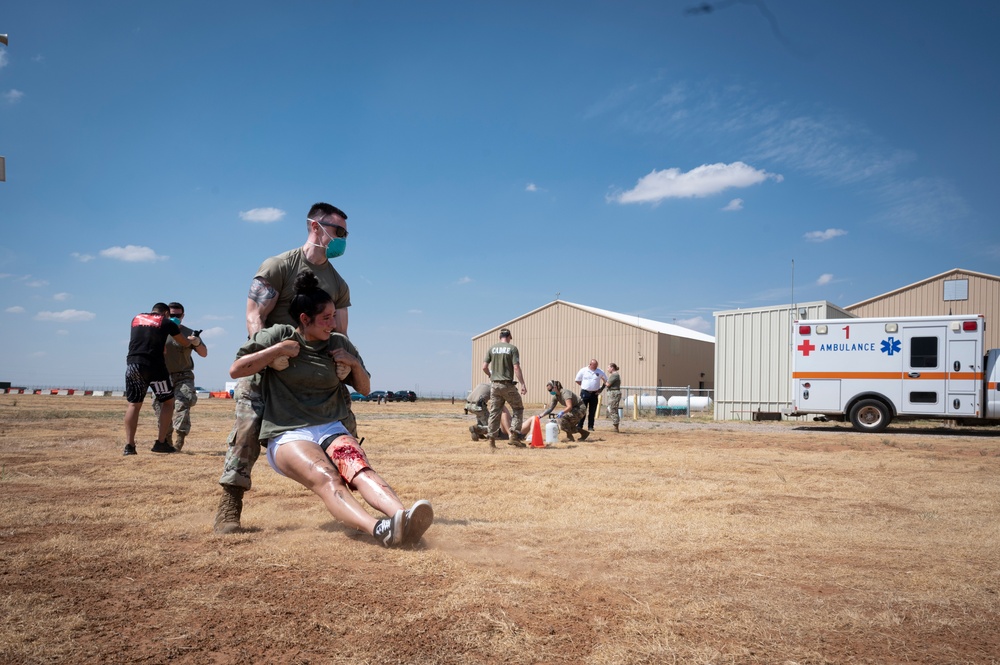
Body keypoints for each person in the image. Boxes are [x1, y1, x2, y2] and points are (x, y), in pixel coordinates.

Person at [228, 270, 432, 547]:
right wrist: (275, 352)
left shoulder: (339, 343)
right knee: (328, 478)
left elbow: (365, 389)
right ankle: (379, 529)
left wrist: (354, 364)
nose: (333, 323)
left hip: (330, 427)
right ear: (304, 319)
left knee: (360, 470)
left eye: (334, 315)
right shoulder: (279, 335)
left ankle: (403, 519)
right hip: (289, 433)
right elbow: (237, 368)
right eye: (326, 318)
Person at [215, 202, 354, 535]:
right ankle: (229, 507)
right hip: (273, 360)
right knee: (247, 427)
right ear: (315, 227)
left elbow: (340, 333)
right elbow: (254, 315)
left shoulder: (338, 283)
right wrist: (267, 354)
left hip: (314, 370)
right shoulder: (279, 265)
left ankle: (349, 501)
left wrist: (343, 366)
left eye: (346, 234)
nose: (342, 239)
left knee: (344, 426)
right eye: (338, 231)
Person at [123, 302, 199, 456]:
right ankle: (161, 442)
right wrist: (193, 340)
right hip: (154, 367)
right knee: (168, 402)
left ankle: (129, 446)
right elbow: (184, 343)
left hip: (133, 365)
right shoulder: (165, 323)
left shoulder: (136, 318)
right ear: (165, 313)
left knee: (134, 405)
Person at [151, 302, 207, 451]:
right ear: (166, 315)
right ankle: (166, 439)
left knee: (183, 404)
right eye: (172, 315)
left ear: (182, 316)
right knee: (160, 407)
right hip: (162, 376)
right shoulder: (158, 331)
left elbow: (204, 353)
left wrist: (197, 342)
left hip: (184, 375)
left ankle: (179, 439)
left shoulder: (189, 333)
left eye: (178, 315)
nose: (175, 317)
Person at [482, 328, 528, 448]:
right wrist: (522, 383)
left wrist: (490, 375)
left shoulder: (492, 348)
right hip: (507, 384)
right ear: (509, 337)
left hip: (494, 385)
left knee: (494, 412)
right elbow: (516, 368)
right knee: (518, 408)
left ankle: (491, 439)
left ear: (500, 337)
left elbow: (484, 367)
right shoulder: (512, 349)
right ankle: (514, 436)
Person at [465, 382, 529, 442]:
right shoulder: (495, 388)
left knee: (482, 421)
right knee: (491, 426)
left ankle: (479, 433)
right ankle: (477, 429)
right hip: (478, 407)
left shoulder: (481, 385)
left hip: (468, 405)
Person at [574, 358, 607, 432]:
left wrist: (601, 389)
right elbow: (577, 380)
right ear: (590, 364)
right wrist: (584, 386)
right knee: (582, 410)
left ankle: (590, 426)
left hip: (594, 394)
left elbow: (606, 381)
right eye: (594, 365)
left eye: (596, 365)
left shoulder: (600, 371)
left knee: (592, 411)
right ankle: (579, 425)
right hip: (585, 393)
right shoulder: (583, 370)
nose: (595, 367)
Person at [605, 363, 622, 433]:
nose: (607, 369)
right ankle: (615, 425)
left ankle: (616, 426)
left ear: (612, 368)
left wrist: (603, 379)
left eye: (608, 367)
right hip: (612, 393)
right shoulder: (613, 375)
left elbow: (608, 384)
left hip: (614, 393)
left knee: (612, 409)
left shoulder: (615, 375)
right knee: (612, 409)